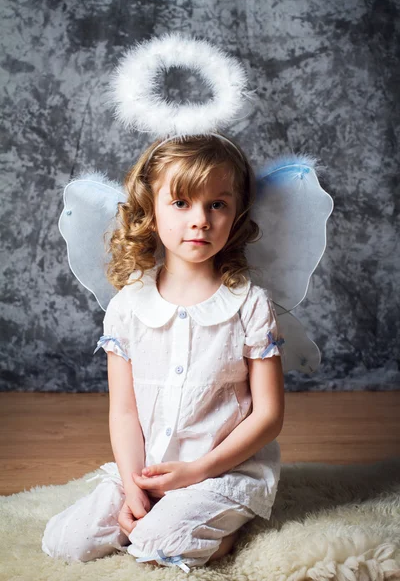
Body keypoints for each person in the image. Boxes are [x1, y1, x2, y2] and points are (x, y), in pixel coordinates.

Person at [42, 133, 285, 572]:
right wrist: (135, 486)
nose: (200, 221)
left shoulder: (249, 303)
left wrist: (197, 472)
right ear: (150, 210)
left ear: (237, 213)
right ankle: (159, 511)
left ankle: (224, 526)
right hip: (148, 466)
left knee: (158, 544)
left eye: (217, 204)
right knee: (66, 542)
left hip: (220, 470)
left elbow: (268, 416)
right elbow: (125, 413)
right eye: (181, 203)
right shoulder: (128, 307)